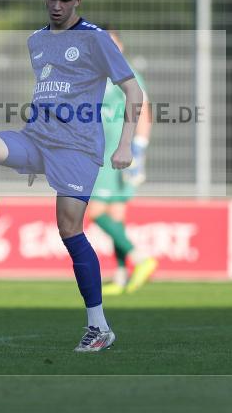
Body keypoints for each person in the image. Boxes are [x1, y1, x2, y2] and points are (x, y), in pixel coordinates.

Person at [0, 0, 143, 353]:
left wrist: (126, 144)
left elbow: (133, 92)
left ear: (78, 0)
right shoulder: (36, 41)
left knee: (68, 229)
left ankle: (99, 327)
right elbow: (50, 92)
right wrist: (34, 157)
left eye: (65, 0)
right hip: (37, 140)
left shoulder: (96, 40)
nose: (57, 6)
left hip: (78, 148)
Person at [86, 28, 157, 295]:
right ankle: (120, 276)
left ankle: (141, 259)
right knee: (116, 216)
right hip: (106, 153)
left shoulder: (124, 74)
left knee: (95, 213)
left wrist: (138, 150)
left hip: (115, 154)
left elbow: (144, 112)